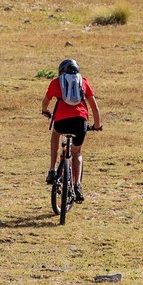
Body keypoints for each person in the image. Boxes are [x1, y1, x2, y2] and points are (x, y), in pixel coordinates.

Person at [42, 58, 102, 203]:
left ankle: (52, 169)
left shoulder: (56, 83)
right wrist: (97, 125)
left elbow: (46, 101)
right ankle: (77, 186)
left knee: (56, 133)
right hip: (80, 122)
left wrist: (45, 111)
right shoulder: (84, 82)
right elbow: (94, 107)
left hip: (61, 122)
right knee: (76, 152)